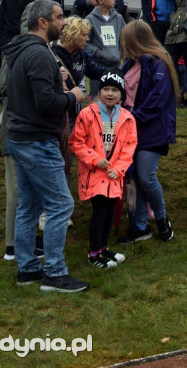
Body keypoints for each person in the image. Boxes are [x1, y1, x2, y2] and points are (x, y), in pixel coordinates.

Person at [3, 0, 88, 292]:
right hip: (37, 140)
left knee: (29, 205)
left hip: (20, 136)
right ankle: (54, 273)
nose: (63, 23)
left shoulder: (22, 50)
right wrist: (73, 95)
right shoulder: (38, 54)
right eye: (58, 17)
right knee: (61, 204)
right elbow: (47, 103)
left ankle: (27, 269)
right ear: (42, 22)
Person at [117, 20, 180, 243]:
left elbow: (157, 100)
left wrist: (132, 117)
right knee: (132, 180)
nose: (123, 45)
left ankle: (162, 220)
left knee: (146, 176)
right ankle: (139, 225)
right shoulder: (129, 64)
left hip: (151, 130)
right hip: (130, 129)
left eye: (126, 40)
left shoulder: (157, 63)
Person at [68, 69, 137, 269]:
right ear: (99, 91)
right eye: (105, 89)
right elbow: (77, 142)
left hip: (114, 173)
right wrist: (94, 160)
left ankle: (103, 249)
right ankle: (93, 254)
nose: (109, 93)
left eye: (114, 90)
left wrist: (120, 169)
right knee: (100, 212)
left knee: (109, 213)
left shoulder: (127, 118)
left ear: (121, 94)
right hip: (94, 172)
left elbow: (129, 147)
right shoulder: (87, 114)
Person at [52, 17, 107, 132]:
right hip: (58, 115)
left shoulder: (82, 55)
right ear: (72, 35)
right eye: (84, 35)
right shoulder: (53, 54)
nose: (87, 39)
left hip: (75, 112)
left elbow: (98, 72)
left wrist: (118, 74)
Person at [83, 0, 126, 94]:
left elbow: (125, 38)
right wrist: (99, 53)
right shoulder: (89, 19)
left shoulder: (119, 18)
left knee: (115, 96)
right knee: (97, 97)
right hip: (98, 66)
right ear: (101, 0)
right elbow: (84, 43)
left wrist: (120, 53)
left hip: (116, 65)